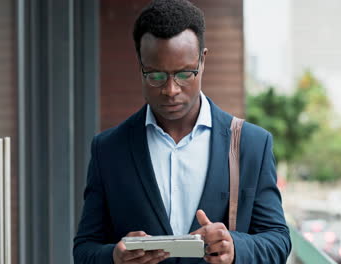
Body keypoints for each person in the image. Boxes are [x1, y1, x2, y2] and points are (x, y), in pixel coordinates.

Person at [73, 0, 291, 263]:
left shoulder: (251, 144)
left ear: (203, 60)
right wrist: (114, 257)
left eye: (184, 74)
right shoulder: (108, 149)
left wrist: (235, 247)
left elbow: (278, 240)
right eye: (155, 75)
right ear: (140, 64)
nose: (170, 89)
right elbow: (84, 249)